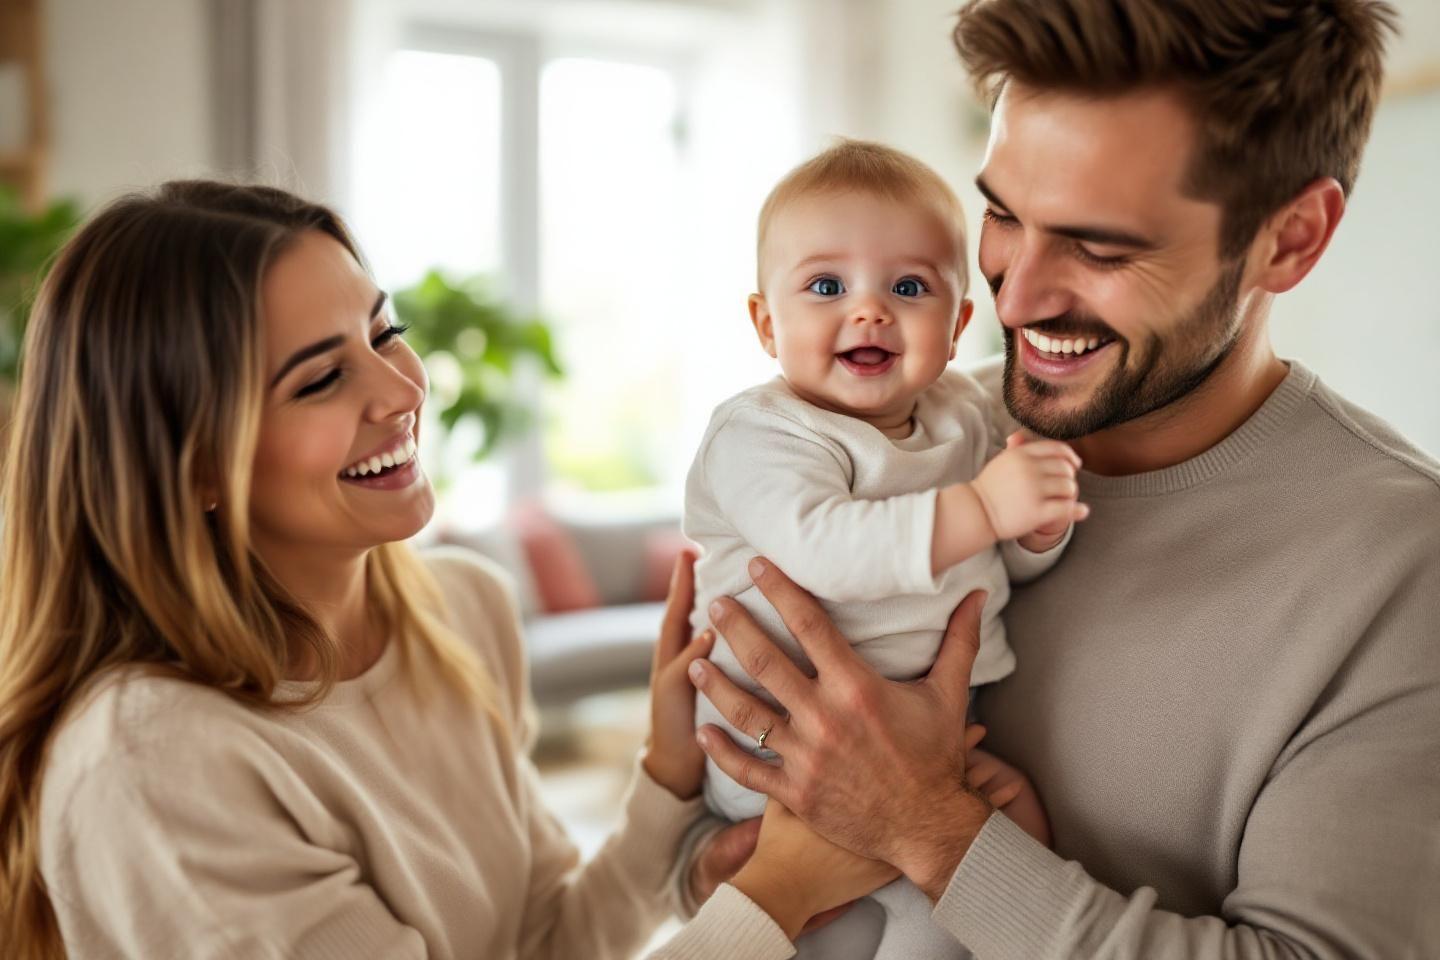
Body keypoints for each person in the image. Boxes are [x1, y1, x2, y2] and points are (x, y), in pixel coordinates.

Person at [678, 0, 1440, 957]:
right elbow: (701, 845)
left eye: (1100, 245)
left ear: (1289, 239)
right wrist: (732, 870)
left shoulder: (1405, 571)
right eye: (1000, 214)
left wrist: (929, 831)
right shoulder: (926, 430)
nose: (1014, 295)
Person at [0, 181, 892, 959]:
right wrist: (776, 897)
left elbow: (544, 940)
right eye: (319, 381)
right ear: (191, 465)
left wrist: (672, 782)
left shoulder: (461, 611)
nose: (401, 392)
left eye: (383, 332)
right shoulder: (152, 759)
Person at [683, 139, 1080, 958]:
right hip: (782, 746)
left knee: (971, 886)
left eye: (908, 287)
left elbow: (988, 559)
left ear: (960, 321)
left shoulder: (964, 412)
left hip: (930, 736)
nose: (868, 311)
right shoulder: (763, 433)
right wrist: (981, 505)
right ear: (766, 323)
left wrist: (1035, 531)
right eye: (826, 286)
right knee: (846, 916)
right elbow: (829, 552)